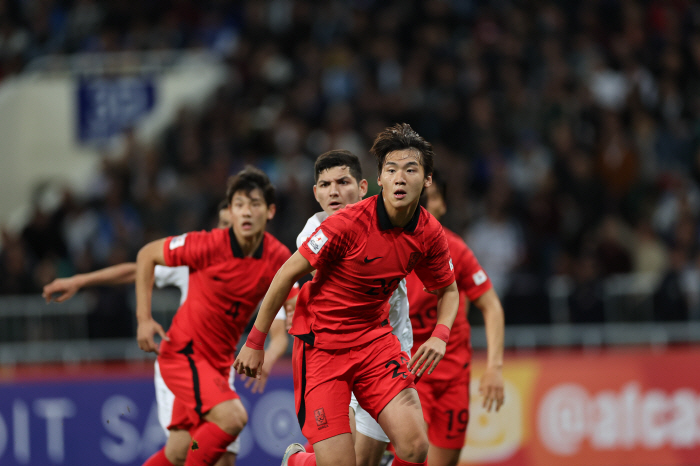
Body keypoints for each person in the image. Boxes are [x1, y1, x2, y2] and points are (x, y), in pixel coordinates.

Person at [235, 123, 460, 466]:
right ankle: (297, 461)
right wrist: (255, 342)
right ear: (380, 179)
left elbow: (448, 290)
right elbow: (285, 274)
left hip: (376, 343)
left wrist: (441, 336)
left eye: (410, 170)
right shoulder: (343, 225)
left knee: (415, 448)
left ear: (427, 179)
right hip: (325, 349)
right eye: (391, 170)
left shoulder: (429, 232)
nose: (400, 178)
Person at [42, 200, 292, 466]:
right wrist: (80, 280)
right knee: (210, 439)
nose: (229, 229)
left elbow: (279, 328)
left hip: (218, 366)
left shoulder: (263, 269)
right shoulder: (199, 257)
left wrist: (270, 355)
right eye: (223, 224)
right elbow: (137, 271)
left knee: (205, 453)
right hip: (185, 361)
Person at [134, 167, 298, 466]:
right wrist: (144, 319)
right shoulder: (207, 245)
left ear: (270, 211)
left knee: (179, 451)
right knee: (233, 417)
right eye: (239, 205)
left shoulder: (277, 256)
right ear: (230, 211)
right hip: (185, 355)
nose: (246, 213)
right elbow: (147, 255)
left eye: (255, 204)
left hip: (218, 363)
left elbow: (294, 304)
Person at [296, 149, 412, 466]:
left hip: (388, 350)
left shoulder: (390, 221)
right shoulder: (314, 231)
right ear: (316, 192)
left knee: (369, 460)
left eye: (343, 182)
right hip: (337, 352)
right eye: (325, 184)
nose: (334, 191)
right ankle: (298, 460)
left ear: (362, 187)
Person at [407, 172, 505, 466]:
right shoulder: (388, 249)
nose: (428, 203)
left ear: (443, 206)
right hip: (409, 373)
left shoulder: (457, 249)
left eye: (434, 196)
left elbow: (491, 306)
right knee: (413, 451)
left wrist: (494, 368)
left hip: (453, 374)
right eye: (423, 197)